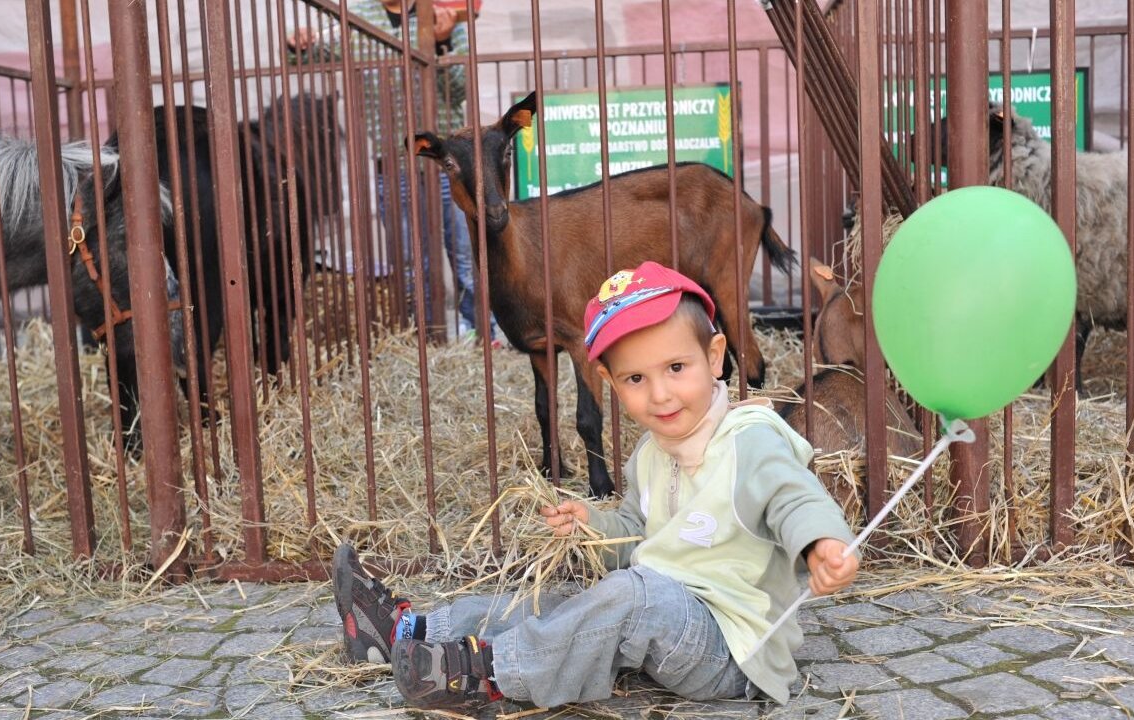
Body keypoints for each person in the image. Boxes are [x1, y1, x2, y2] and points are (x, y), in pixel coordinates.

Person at [331, 260, 860, 711]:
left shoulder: (750, 440)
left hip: (732, 650)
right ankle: (410, 632)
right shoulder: (652, 454)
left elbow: (796, 498)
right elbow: (637, 535)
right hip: (663, 619)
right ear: (609, 382)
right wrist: (595, 527)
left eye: (677, 367)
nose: (660, 394)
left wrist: (821, 543)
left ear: (715, 356)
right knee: (565, 602)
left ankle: (490, 675)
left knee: (633, 596)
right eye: (636, 379)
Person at [298, 1, 495, 341]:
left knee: (466, 254)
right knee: (409, 260)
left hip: (447, 161)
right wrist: (297, 45)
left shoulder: (443, 15)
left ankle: (483, 334)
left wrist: (442, 42)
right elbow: (306, 59)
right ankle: (425, 337)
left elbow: (461, 86)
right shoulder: (356, 19)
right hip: (392, 162)